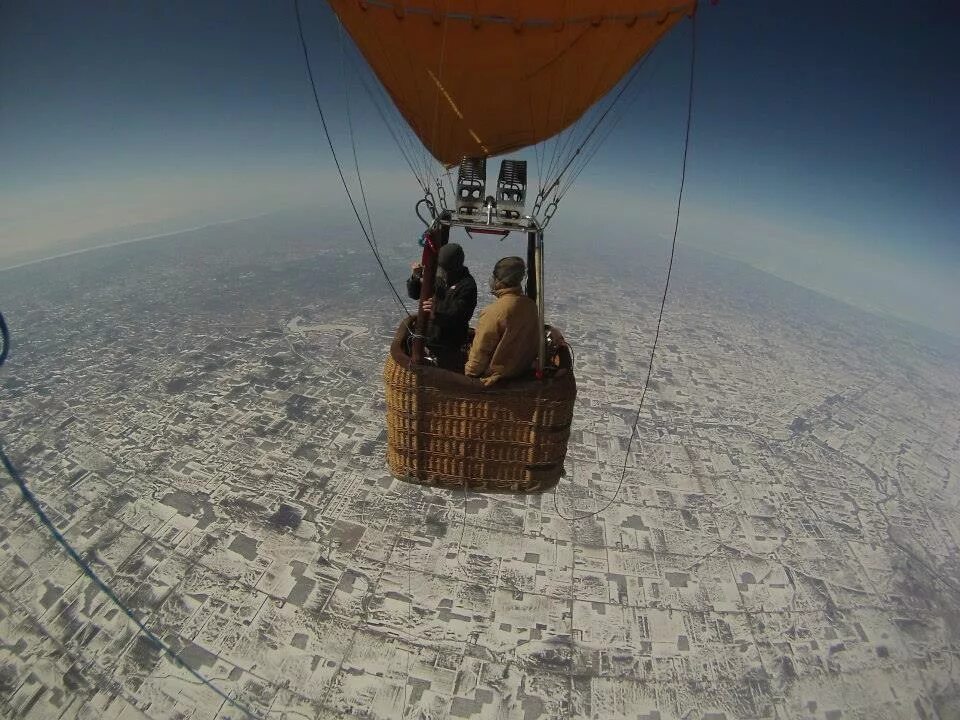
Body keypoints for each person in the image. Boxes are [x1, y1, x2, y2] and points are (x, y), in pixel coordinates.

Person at [465, 256, 540, 386]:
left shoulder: (493, 312)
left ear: (499, 280)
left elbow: (478, 357)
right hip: (521, 372)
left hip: (496, 379)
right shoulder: (530, 306)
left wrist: (468, 375)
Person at [407, 242, 477, 372]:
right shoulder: (439, 277)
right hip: (429, 338)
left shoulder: (467, 286)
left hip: (449, 344)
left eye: (445, 268)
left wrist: (436, 314)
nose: (442, 270)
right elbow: (415, 294)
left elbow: (460, 316)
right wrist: (415, 277)